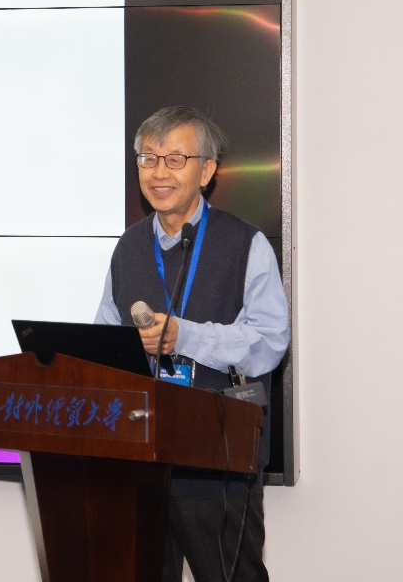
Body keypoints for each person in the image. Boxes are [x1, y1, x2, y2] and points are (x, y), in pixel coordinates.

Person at [94, 105, 290, 582]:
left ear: (206, 171)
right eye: (148, 158)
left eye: (175, 159)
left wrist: (188, 335)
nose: (158, 172)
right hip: (140, 459)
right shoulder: (128, 247)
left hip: (217, 459)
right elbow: (104, 342)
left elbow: (270, 341)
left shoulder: (245, 244)